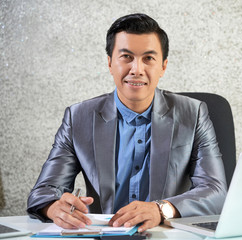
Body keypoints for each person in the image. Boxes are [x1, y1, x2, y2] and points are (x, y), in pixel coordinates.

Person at [27, 13, 227, 233]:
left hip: (167, 234)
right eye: (126, 57)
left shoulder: (193, 113)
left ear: (163, 66)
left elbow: (215, 191)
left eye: (148, 58)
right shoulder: (79, 118)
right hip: (104, 234)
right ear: (110, 63)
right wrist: (53, 207)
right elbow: (44, 191)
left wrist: (161, 210)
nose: (136, 69)